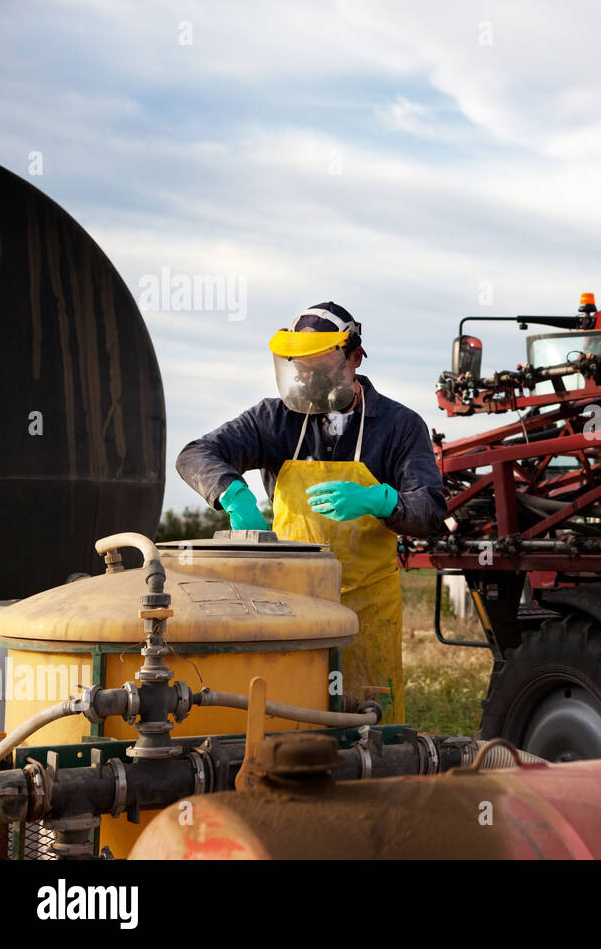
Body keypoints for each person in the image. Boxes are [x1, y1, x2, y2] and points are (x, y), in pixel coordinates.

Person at [176, 302, 445, 723]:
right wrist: (232, 495)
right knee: (289, 725)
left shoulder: (398, 426)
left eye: (321, 366)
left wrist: (382, 501)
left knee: (369, 728)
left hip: (366, 612)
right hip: (291, 606)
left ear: (353, 358)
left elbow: (430, 511)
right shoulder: (275, 419)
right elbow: (196, 454)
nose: (308, 379)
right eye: (300, 368)